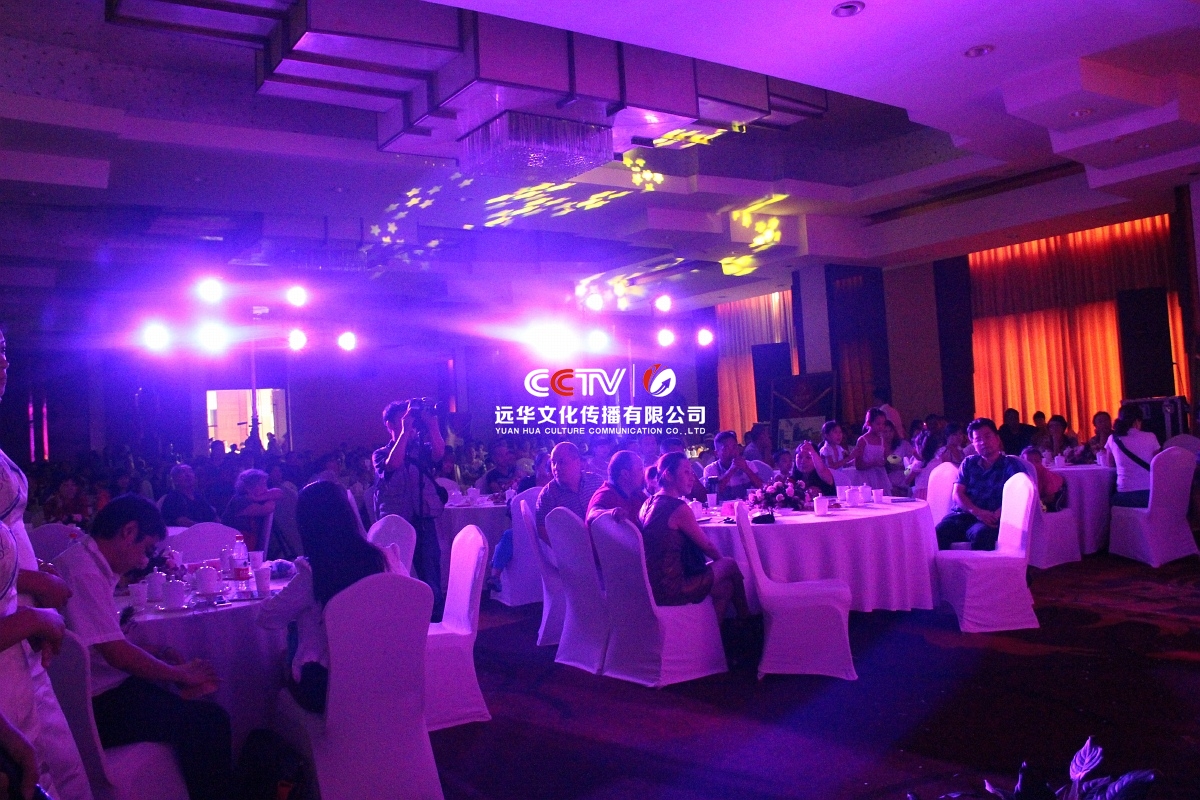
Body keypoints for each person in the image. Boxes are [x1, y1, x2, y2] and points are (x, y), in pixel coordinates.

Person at [55, 494, 232, 800]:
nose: (142, 561)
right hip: (96, 703)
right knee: (209, 722)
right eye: (145, 548)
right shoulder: (82, 571)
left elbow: (105, 641)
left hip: (105, 688)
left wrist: (160, 655)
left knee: (200, 702)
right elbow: (115, 653)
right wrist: (178, 674)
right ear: (128, 531)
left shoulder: (88, 562)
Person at [0, 327, 93, 800]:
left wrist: (34, 583)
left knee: (61, 772)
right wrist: (36, 610)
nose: (2, 364)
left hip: (18, 630)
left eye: (2, 350)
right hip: (9, 639)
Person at [257, 482, 405, 713]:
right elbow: (408, 605)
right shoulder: (387, 558)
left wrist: (267, 593)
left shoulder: (313, 573)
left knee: (279, 662)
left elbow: (268, 618)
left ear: (307, 525)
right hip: (390, 675)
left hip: (332, 689)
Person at [639, 453, 749, 624]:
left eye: (691, 472)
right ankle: (747, 620)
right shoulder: (678, 508)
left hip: (651, 585)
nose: (692, 478)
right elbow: (708, 546)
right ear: (668, 475)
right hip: (672, 587)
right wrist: (722, 565)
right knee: (730, 565)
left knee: (725, 588)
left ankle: (710, 636)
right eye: (685, 472)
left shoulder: (648, 503)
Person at [372, 399, 445, 599]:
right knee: (397, 568)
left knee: (430, 567)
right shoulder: (380, 454)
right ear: (389, 424)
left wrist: (433, 425)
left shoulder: (420, 449)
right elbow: (393, 464)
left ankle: (434, 608)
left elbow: (439, 453)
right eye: (402, 419)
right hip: (396, 521)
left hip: (423, 516)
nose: (409, 422)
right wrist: (404, 433)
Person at [935, 418, 1030, 550]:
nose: (983, 442)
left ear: (997, 438)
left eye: (987, 436)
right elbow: (957, 493)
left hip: (991, 518)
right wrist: (977, 512)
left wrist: (997, 514)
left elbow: (1019, 495)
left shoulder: (1011, 465)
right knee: (938, 532)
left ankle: (982, 565)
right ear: (973, 444)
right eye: (978, 439)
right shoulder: (969, 463)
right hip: (964, 516)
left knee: (982, 535)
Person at [533, 442, 603, 542]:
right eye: (553, 462)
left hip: (601, 542)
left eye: (561, 462)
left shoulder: (596, 482)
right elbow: (541, 528)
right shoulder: (548, 494)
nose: (556, 467)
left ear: (577, 462)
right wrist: (564, 546)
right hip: (572, 547)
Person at [1105, 405, 1160, 508]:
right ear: (1137, 421)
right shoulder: (1151, 436)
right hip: (1150, 494)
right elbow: (1158, 463)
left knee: (1107, 500)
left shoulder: (1113, 438)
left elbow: (1110, 464)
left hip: (1125, 495)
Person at [221, 469, 282, 552]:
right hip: (232, 546)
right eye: (261, 484)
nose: (265, 488)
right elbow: (267, 508)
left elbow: (279, 493)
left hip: (245, 545)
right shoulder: (240, 500)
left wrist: (258, 498)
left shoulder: (256, 499)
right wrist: (263, 498)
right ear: (248, 487)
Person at [702, 431, 770, 502]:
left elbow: (762, 488)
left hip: (746, 506)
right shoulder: (710, 469)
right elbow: (711, 496)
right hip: (721, 507)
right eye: (726, 448)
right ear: (716, 453)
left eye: (734, 447)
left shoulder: (749, 465)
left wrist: (747, 470)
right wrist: (731, 471)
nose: (732, 451)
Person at [586, 451, 648, 528]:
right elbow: (591, 515)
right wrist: (611, 512)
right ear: (625, 474)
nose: (644, 473)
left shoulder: (636, 494)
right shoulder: (606, 494)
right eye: (640, 469)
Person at [849, 408, 890, 491]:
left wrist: (887, 461)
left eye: (883, 424)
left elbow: (888, 458)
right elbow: (858, 465)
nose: (881, 427)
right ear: (869, 423)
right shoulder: (862, 440)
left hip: (880, 476)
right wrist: (873, 463)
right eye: (878, 424)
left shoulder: (883, 440)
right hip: (865, 477)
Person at [1021, 447, 1067, 511]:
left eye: (1037, 461)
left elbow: (1050, 498)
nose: (1033, 464)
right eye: (1029, 462)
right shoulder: (1021, 475)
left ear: (1041, 462)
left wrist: (1033, 504)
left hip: (1050, 502)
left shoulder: (1045, 475)